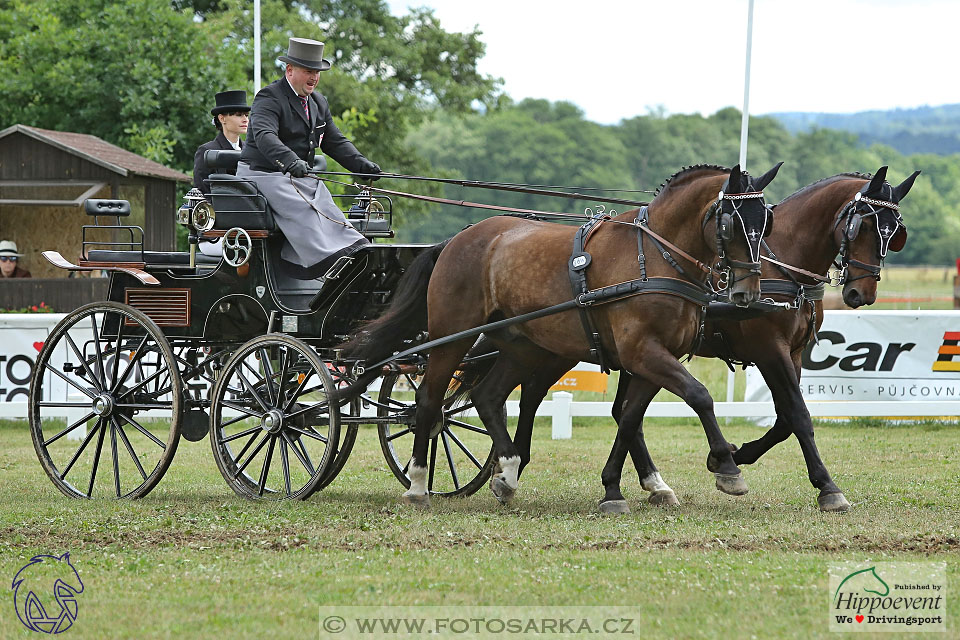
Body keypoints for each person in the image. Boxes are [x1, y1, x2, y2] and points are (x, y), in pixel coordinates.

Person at [237, 37, 381, 279]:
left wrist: (361, 165)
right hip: (262, 174)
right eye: (308, 71)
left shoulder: (318, 102)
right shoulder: (269, 97)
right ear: (289, 70)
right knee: (305, 208)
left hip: (298, 177)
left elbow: (334, 140)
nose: (314, 77)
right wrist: (290, 160)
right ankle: (326, 262)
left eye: (317, 72)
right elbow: (264, 135)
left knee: (326, 205)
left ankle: (357, 251)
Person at [192, 90, 251, 193]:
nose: (245, 119)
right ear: (222, 118)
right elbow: (202, 191)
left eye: (246, 115)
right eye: (239, 115)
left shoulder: (250, 150)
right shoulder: (206, 151)